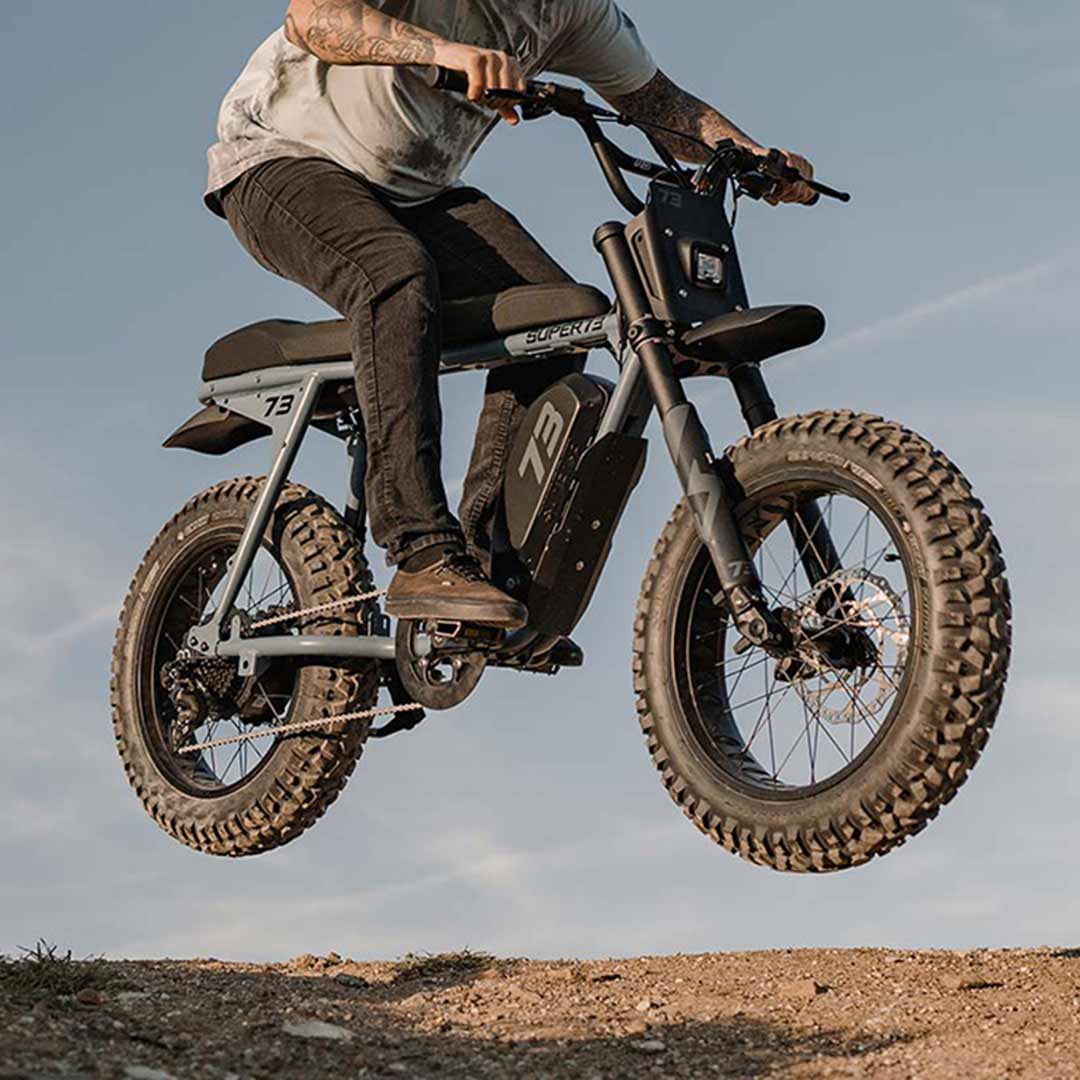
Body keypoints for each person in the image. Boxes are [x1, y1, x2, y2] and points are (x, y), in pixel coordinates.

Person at [205, 0, 815, 631]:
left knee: (555, 315)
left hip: (414, 192)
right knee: (393, 274)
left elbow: (656, 103)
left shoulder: (571, 12)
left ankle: (479, 561)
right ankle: (419, 549)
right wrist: (444, 53)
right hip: (277, 162)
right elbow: (314, 18)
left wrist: (752, 156)